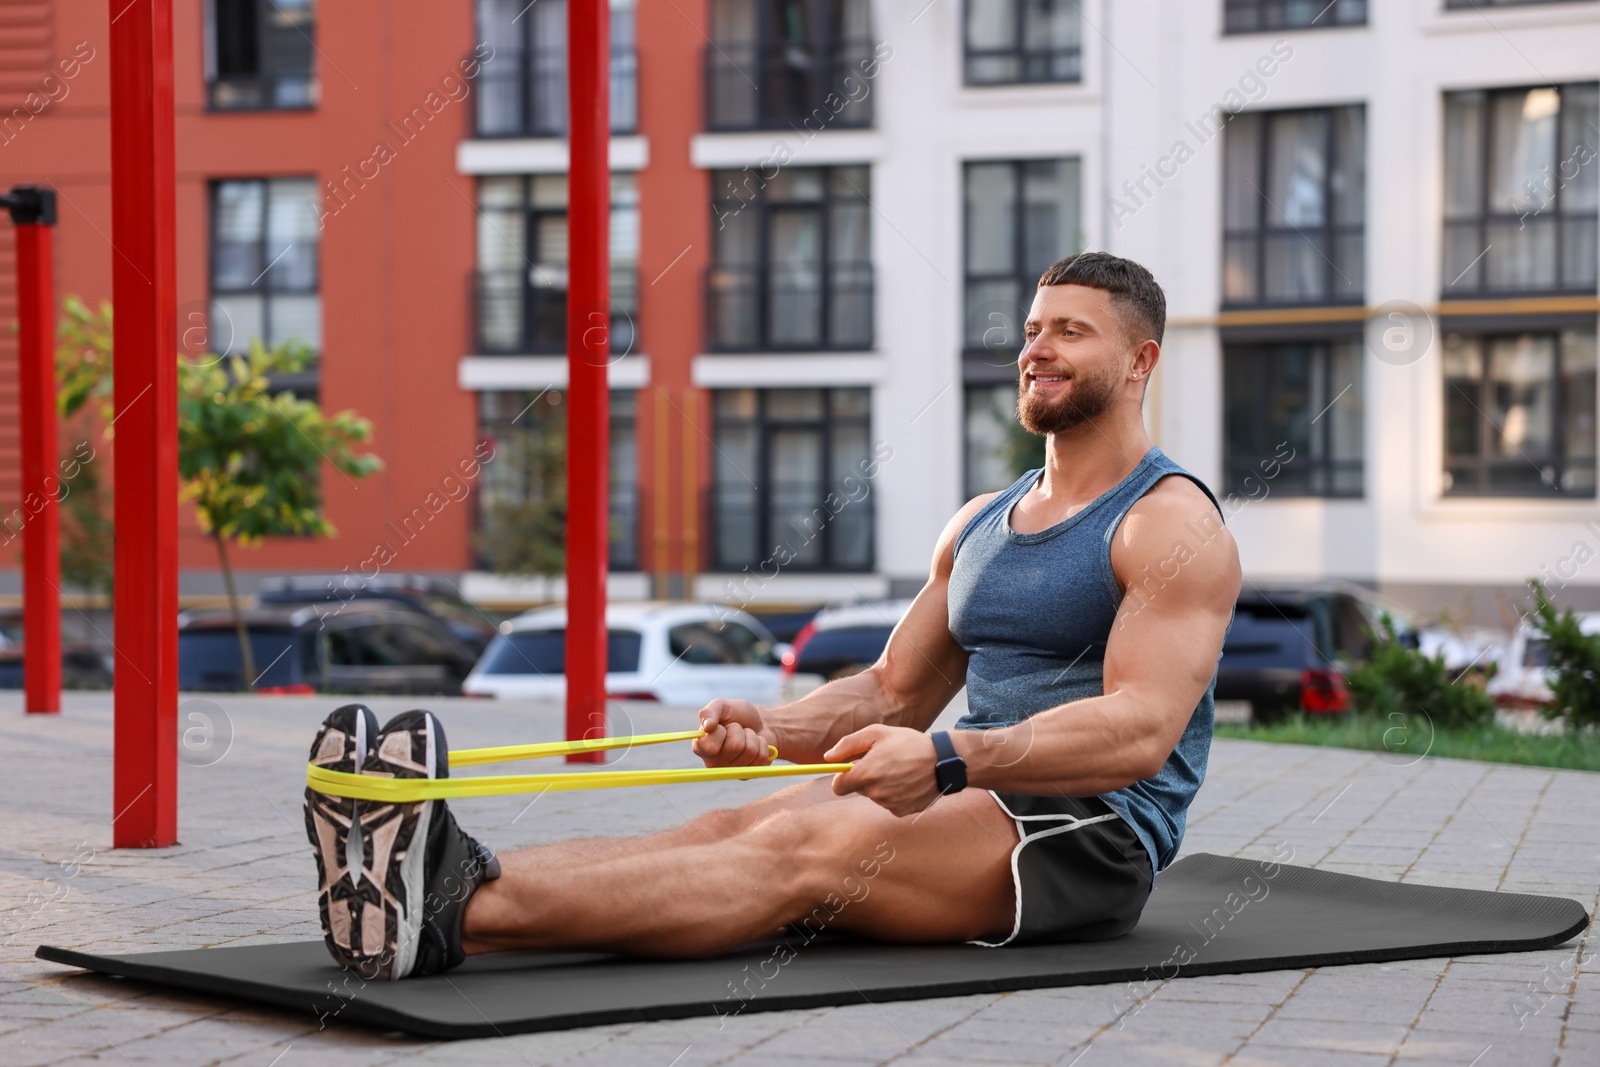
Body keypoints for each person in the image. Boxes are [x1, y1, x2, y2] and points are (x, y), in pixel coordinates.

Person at [301, 251, 1241, 980]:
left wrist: (957, 756)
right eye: (1034, 328)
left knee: (801, 849)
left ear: (1139, 360)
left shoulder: (1169, 523)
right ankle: (438, 872)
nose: (1038, 348)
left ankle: (441, 911)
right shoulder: (984, 521)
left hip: (1091, 831)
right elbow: (893, 689)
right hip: (966, 782)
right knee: (722, 829)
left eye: (1071, 332)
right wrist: (774, 725)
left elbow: (1140, 730)